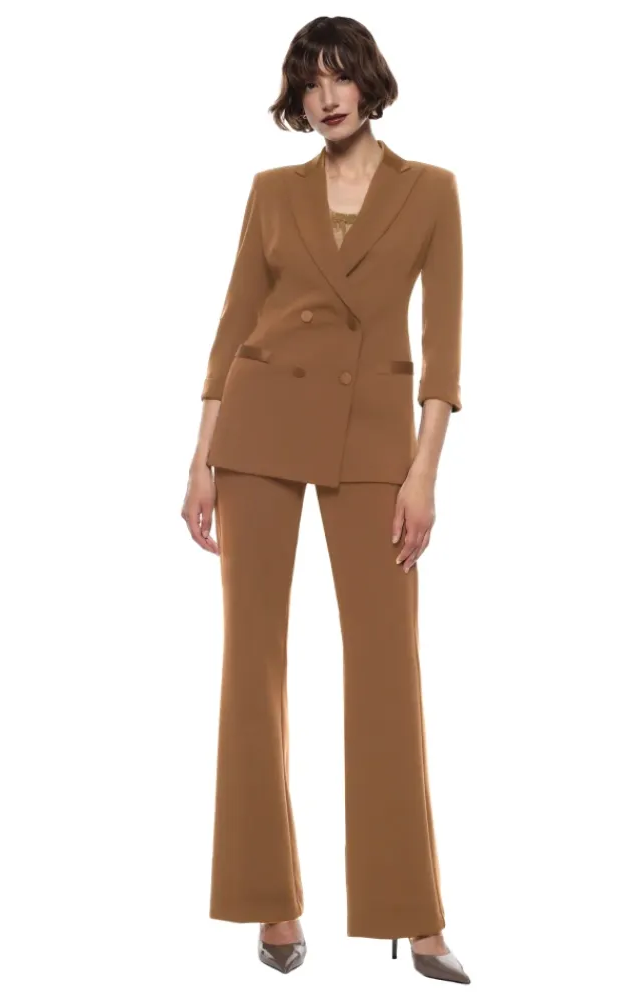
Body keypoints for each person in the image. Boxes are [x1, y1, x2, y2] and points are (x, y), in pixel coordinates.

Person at [181, 15, 469, 985]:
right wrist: (201, 459)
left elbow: (443, 351)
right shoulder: (273, 193)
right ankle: (271, 900)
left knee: (386, 668)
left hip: (374, 442)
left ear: (369, 83)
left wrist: (424, 470)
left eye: (340, 76)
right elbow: (231, 329)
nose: (326, 96)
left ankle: (413, 915)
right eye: (309, 80)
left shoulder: (431, 192)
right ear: (296, 97)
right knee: (251, 662)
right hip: (260, 427)